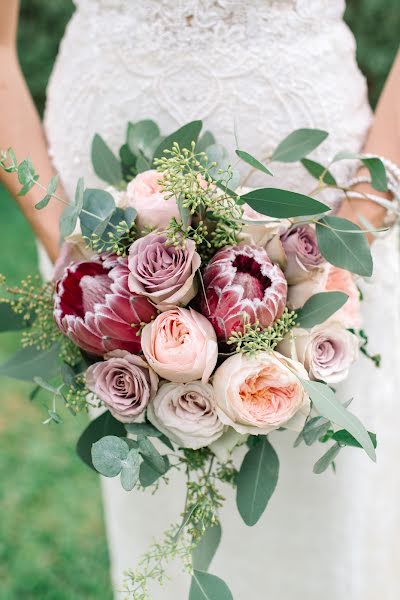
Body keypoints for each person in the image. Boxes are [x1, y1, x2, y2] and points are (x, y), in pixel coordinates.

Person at [1, 1, 399, 598]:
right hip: (99, 216)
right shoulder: (89, 255)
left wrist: (356, 224)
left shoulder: (339, 234)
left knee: (328, 494)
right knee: (156, 489)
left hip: (322, 205)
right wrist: (71, 243)